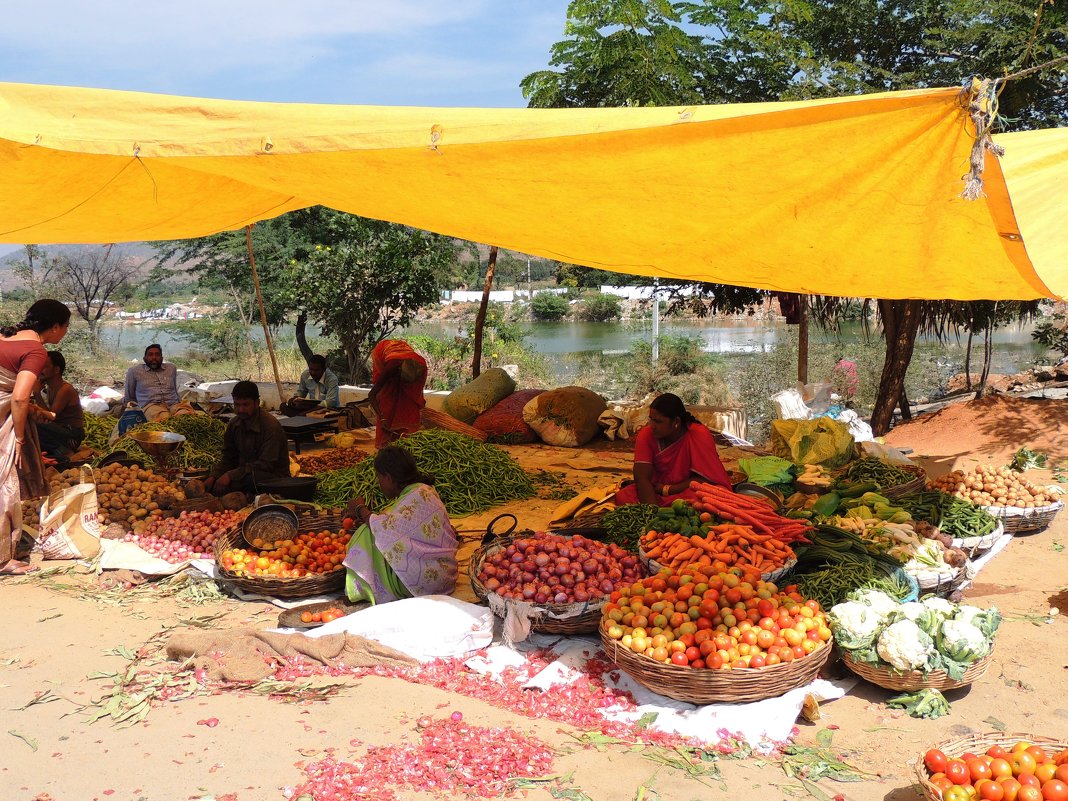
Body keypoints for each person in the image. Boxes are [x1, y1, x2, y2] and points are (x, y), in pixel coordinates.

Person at [1, 299, 71, 575]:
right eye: (65, 326)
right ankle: (3, 559)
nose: (64, 332)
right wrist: (19, 437)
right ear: (54, 327)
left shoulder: (4, 337)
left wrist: (32, 408)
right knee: (5, 484)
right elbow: (17, 397)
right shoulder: (35, 350)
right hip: (4, 426)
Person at [342, 445, 458, 604]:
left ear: (388, 478)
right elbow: (394, 522)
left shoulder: (414, 497)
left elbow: (381, 527)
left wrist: (360, 508)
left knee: (366, 532)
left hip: (423, 584)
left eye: (379, 477)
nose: (378, 482)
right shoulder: (425, 491)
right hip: (446, 576)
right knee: (375, 528)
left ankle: (363, 587)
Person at [614, 393, 732, 507]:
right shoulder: (646, 434)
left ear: (676, 422)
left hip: (686, 490)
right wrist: (653, 512)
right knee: (623, 496)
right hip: (655, 491)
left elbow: (706, 479)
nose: (652, 425)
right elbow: (642, 477)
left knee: (712, 497)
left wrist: (669, 489)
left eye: (658, 421)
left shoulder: (698, 434)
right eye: (651, 420)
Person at [205, 381, 290, 496]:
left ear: (257, 403)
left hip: (272, 478)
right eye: (237, 405)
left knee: (250, 479)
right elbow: (228, 457)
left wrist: (231, 475)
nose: (240, 410)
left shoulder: (271, 426)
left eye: (245, 405)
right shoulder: (234, 424)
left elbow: (266, 464)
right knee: (212, 481)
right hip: (244, 473)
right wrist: (214, 476)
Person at [367, 339, 427, 447]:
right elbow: (372, 395)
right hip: (386, 355)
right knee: (387, 400)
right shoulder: (391, 368)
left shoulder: (420, 367)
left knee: (408, 404)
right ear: (399, 372)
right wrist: (382, 418)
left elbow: (416, 396)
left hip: (403, 360)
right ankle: (387, 444)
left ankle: (404, 437)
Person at [33, 350, 85, 462]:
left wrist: (37, 394)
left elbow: (51, 416)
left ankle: (65, 452)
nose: (40, 370)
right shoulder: (50, 388)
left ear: (56, 370)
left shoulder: (65, 389)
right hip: (59, 430)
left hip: (72, 435)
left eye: (44, 367)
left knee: (36, 425)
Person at [123, 344, 191, 421]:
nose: (154, 358)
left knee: (186, 418)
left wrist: (180, 404)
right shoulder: (134, 371)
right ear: (144, 358)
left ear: (162, 358)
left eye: (157, 355)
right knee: (164, 420)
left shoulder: (171, 368)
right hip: (151, 406)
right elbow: (129, 396)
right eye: (150, 355)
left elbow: (175, 389)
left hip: (174, 404)